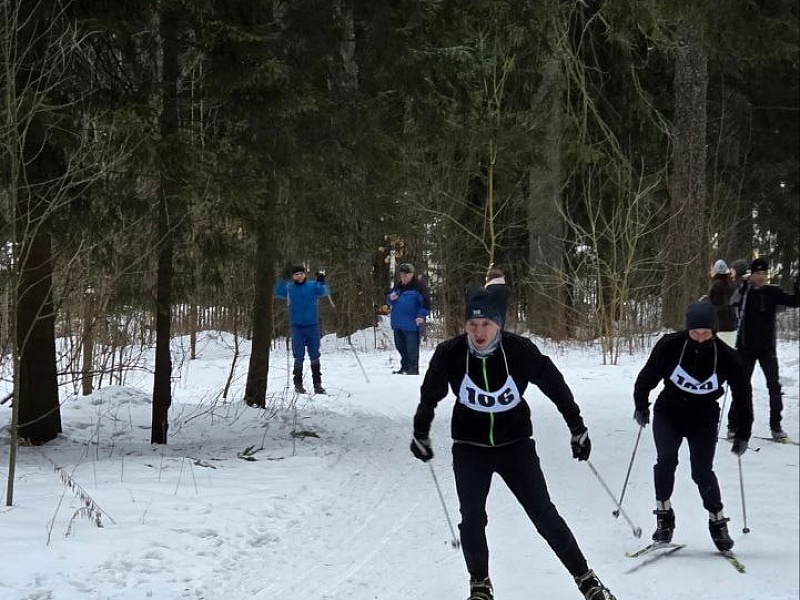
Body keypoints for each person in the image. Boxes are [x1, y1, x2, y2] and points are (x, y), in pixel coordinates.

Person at [410, 290, 616, 600]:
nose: (479, 333)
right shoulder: (450, 353)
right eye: (473, 325)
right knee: (473, 517)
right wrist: (420, 432)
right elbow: (430, 395)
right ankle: (480, 585)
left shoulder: (519, 351)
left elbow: (555, 387)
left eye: (486, 324)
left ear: (500, 325)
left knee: (543, 513)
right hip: (469, 446)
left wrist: (578, 428)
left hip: (515, 444)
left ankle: (587, 580)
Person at [633, 300, 753, 552]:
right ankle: (664, 518)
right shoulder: (670, 346)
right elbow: (647, 376)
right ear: (688, 329)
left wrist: (743, 433)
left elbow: (744, 396)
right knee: (666, 460)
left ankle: (717, 521)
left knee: (701, 471)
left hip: (704, 418)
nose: (700, 338)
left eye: (706, 333)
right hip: (669, 413)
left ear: (714, 331)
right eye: (695, 333)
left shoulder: (726, 356)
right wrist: (641, 405)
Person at [728, 257, 800, 440]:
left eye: (764, 274)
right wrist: (742, 283)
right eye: (757, 274)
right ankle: (734, 426)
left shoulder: (773, 292)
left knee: (774, 387)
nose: (761, 277)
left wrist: (797, 284)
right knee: (741, 386)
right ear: (751, 275)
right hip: (746, 347)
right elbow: (732, 301)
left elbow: (795, 301)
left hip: (767, 349)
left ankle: (776, 427)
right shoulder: (745, 291)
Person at [274, 264, 330, 394]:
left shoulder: (311, 286)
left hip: (312, 325)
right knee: (298, 355)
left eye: (301, 273)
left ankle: (317, 384)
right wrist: (282, 277)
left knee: (314, 354)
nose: (299, 276)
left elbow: (322, 291)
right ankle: (298, 384)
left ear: (305, 274)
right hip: (296, 326)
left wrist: (321, 280)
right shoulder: (289, 288)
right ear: (293, 276)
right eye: (296, 274)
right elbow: (278, 291)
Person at [386, 263, 430, 375]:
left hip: (411, 324)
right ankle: (404, 367)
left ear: (411, 274)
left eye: (406, 275)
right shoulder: (398, 286)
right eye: (401, 275)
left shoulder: (419, 287)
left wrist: (421, 315)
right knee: (400, 346)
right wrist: (390, 298)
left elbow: (426, 304)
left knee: (412, 349)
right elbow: (389, 299)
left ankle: (413, 369)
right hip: (398, 323)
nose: (403, 277)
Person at [707, 259, 737, 347]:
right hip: (731, 326)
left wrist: (706, 301)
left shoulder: (716, 286)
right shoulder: (731, 285)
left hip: (719, 327)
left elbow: (715, 305)